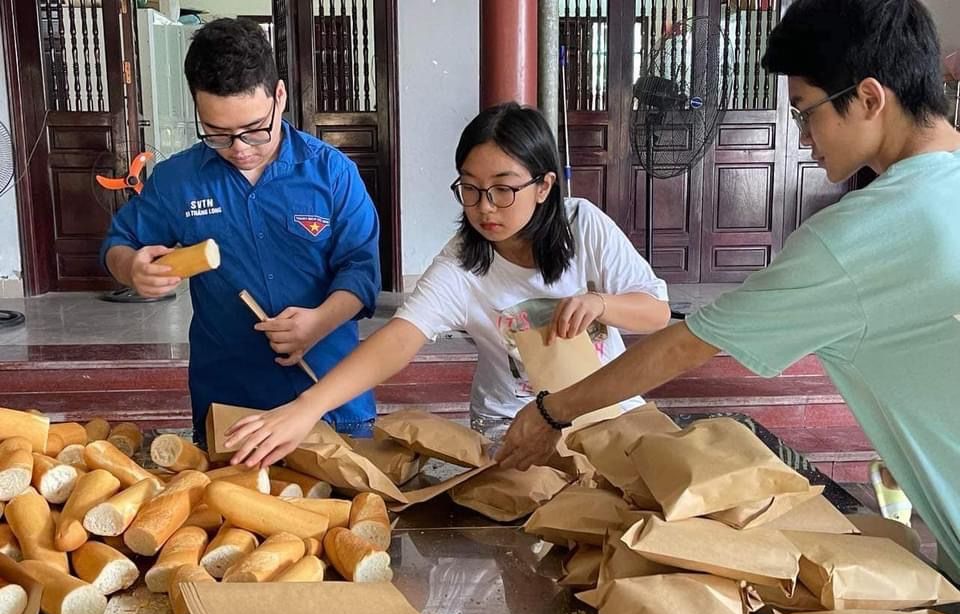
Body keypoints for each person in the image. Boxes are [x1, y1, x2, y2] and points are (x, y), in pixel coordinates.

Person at [495, 0, 960, 579]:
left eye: (805, 112)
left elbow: (687, 344)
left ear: (869, 99)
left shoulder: (861, 237)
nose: (804, 137)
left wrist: (552, 411)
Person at [225, 102, 671, 465]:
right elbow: (400, 337)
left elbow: (656, 312)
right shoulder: (462, 263)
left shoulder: (584, 226)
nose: (485, 207)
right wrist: (308, 407)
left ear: (543, 186)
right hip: (513, 424)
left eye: (502, 190)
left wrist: (601, 304)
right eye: (470, 189)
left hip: (608, 412)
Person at [100, 18, 381, 443]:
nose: (239, 148)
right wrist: (131, 268)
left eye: (254, 130)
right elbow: (120, 243)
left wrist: (320, 322)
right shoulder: (179, 180)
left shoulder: (331, 173)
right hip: (230, 402)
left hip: (331, 399)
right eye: (217, 134)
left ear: (279, 96)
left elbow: (361, 271)